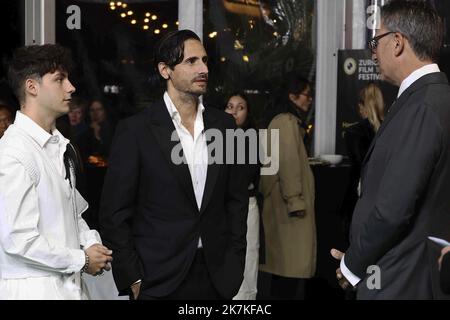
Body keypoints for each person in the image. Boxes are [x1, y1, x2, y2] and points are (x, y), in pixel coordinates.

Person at [99, 30, 248, 300]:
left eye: (204, 60)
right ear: (165, 70)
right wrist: (132, 276)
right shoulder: (135, 130)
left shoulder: (226, 126)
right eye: (191, 61)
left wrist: (235, 264)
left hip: (217, 276)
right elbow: (114, 214)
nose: (203, 68)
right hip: (157, 278)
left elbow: (236, 201)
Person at [331, 0, 450, 299]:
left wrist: (352, 265)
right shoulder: (424, 98)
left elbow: (393, 209)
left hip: (401, 279)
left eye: (377, 40)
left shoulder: (424, 105)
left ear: (397, 43)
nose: (374, 50)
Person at [0, 44, 113, 299]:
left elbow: (72, 212)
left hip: (69, 288)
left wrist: (91, 242)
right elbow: (19, 239)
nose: (71, 87)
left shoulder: (58, 144)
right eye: (60, 79)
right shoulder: (12, 152)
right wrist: (81, 259)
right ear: (32, 87)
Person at [259, 75, 316, 299]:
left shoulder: (283, 121)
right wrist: (295, 201)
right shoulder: (286, 122)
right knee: (288, 276)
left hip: (282, 209)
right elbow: (289, 164)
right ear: (292, 96)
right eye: (306, 95)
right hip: (288, 211)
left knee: (284, 275)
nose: (310, 100)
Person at [225, 92, 263, 300]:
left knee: (248, 258)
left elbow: (245, 178)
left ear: (248, 113)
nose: (234, 111)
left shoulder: (251, 138)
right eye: (230, 106)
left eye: (241, 107)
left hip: (246, 205)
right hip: (219, 209)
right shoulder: (211, 138)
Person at [342, 83, 385, 244]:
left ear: (362, 106)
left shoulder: (353, 133)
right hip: (386, 200)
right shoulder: (392, 130)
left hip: (359, 201)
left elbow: (358, 165)